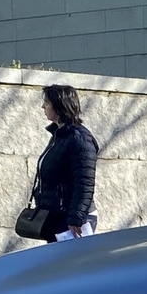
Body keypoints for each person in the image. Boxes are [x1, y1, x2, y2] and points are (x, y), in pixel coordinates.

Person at [27, 83, 100, 241]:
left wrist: (76, 217)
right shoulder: (60, 136)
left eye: (46, 103)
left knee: (73, 265)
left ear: (59, 107)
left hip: (73, 220)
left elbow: (85, 182)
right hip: (56, 216)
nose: (42, 107)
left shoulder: (80, 139)